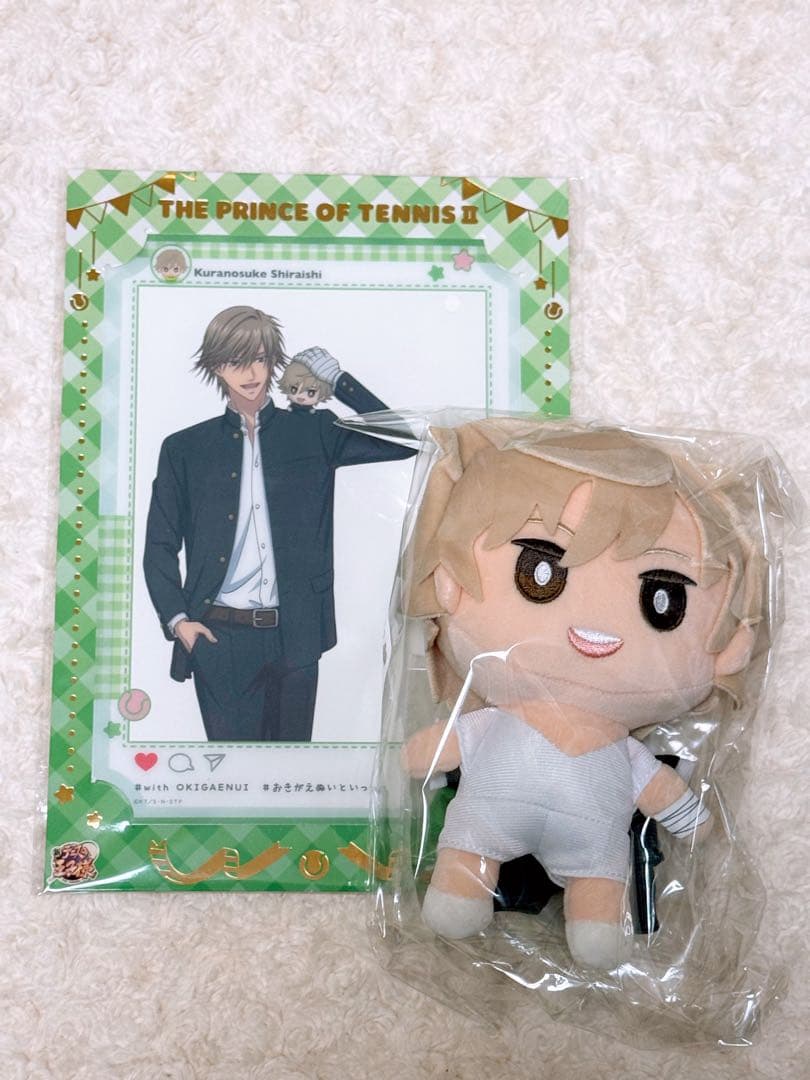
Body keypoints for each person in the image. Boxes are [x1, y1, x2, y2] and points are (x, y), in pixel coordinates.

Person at [400, 422, 762, 967]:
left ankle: (594, 921)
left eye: (663, 599)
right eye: (539, 573)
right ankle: (462, 889)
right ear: (448, 582)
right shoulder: (499, 718)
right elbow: (445, 745)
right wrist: (421, 755)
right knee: (473, 845)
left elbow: (658, 788)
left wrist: (691, 818)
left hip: (589, 842)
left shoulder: (624, 751)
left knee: (597, 882)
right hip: (504, 820)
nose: (595, 627)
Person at [143, 305, 414, 743]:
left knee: (292, 765)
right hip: (218, 638)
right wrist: (179, 621)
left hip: (297, 632)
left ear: (273, 361)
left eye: (260, 358)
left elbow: (403, 441)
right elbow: (159, 544)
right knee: (230, 770)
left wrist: (339, 381)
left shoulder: (315, 431)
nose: (251, 372)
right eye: (235, 361)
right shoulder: (185, 449)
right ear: (216, 366)